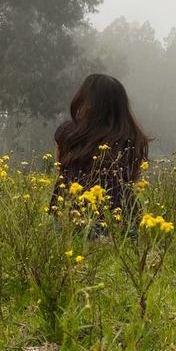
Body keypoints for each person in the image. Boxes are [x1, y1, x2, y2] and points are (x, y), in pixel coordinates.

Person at [48, 73, 151, 232]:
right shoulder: (132, 138)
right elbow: (133, 180)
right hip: (121, 224)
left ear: (84, 100)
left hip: (69, 220)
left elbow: (60, 169)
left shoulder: (68, 133)